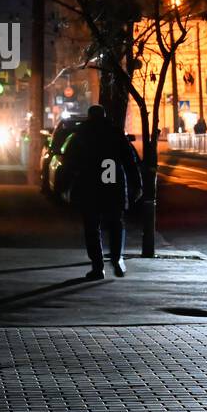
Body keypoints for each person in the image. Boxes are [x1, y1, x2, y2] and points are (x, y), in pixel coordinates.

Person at [61, 104, 142, 280]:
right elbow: (130, 160)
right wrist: (137, 185)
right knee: (115, 223)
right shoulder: (115, 132)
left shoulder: (82, 134)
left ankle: (98, 267)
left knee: (92, 227)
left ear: (89, 116)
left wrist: (65, 186)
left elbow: (70, 163)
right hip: (112, 182)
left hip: (89, 185)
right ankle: (116, 258)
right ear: (104, 115)